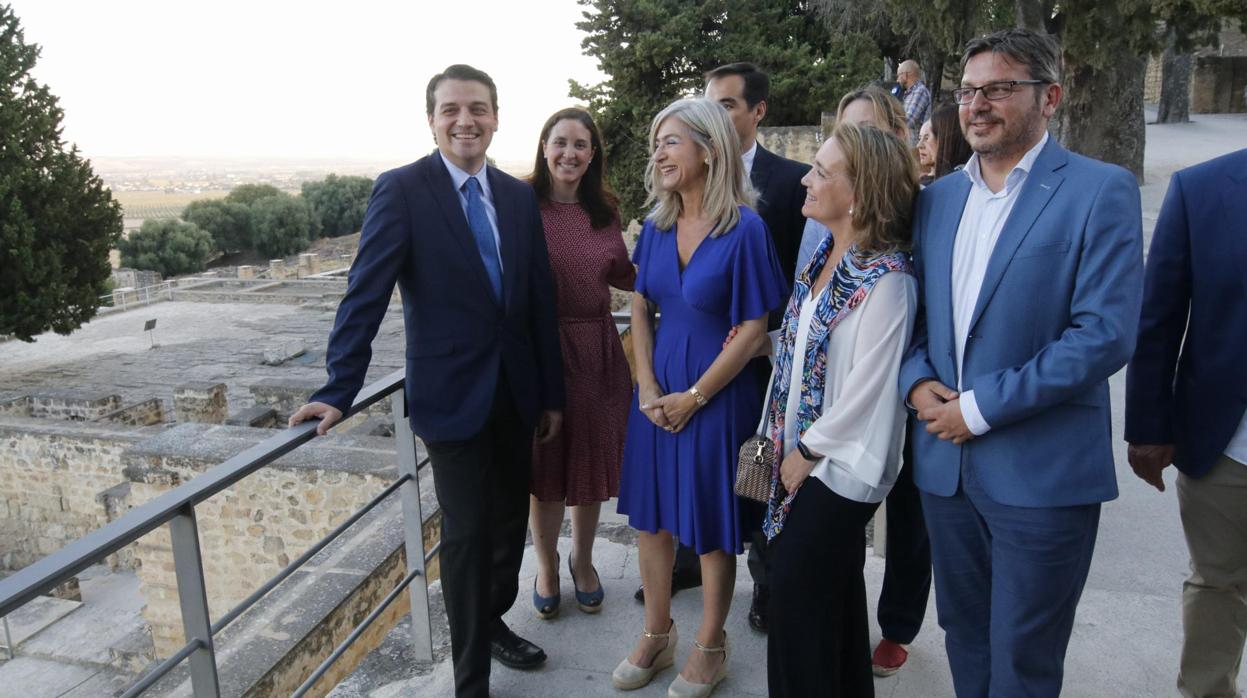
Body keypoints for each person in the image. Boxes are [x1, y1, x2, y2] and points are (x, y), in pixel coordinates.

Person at [288, 64, 565, 698]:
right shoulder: (403, 189)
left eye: (478, 108)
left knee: (504, 530)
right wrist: (338, 389)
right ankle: (471, 680)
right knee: (466, 534)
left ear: (496, 118)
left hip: (516, 393)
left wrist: (551, 393)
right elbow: (367, 293)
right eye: (451, 110)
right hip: (450, 396)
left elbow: (537, 301)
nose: (465, 120)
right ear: (433, 120)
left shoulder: (518, 196)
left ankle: (491, 623)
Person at [899, 28, 1143, 697]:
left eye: (998, 89)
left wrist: (975, 410)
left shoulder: (1100, 190)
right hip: (943, 474)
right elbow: (909, 314)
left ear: (1049, 97)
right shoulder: (937, 198)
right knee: (964, 635)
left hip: (1041, 477)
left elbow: (1103, 335)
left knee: (1024, 658)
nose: (977, 104)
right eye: (968, 91)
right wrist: (916, 383)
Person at [612, 98, 786, 697]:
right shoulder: (656, 228)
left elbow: (755, 330)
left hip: (717, 400)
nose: (657, 153)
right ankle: (657, 635)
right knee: (654, 520)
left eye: (671, 141)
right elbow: (639, 304)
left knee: (711, 528)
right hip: (656, 401)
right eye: (656, 142)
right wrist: (649, 387)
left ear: (709, 150)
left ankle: (711, 645)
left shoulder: (746, 229)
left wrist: (693, 396)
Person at [763, 122, 919, 697]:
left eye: (822, 171)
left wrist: (805, 451)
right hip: (809, 451)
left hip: (842, 464)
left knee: (796, 599)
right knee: (836, 600)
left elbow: (868, 390)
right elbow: (809, 353)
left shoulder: (888, 280)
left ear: (860, 193)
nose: (806, 178)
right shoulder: (826, 257)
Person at [679, 61, 807, 634]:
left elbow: (807, 275)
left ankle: (764, 583)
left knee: (759, 471)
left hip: (767, 359)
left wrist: (768, 342)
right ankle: (691, 560)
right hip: (705, 355)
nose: (717, 114)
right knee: (700, 465)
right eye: (711, 103)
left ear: (758, 112)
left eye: (728, 104)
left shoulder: (793, 180)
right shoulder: (691, 181)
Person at [1124, 147, 1247, 698]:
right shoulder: (1202, 189)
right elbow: (1159, 318)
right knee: (1218, 583)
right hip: (1229, 446)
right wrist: (1148, 426)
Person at [525, 108, 635, 620]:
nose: (569, 153)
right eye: (560, 142)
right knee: (545, 466)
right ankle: (546, 567)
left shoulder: (605, 211)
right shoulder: (520, 204)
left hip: (596, 350)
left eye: (581, 144)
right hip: (542, 352)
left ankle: (582, 561)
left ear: (593, 155)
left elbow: (623, 275)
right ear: (545, 147)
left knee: (588, 464)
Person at [796, 87, 909, 274]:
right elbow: (802, 288)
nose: (855, 139)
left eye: (866, 129)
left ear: (898, 134)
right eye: (846, 131)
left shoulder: (920, 206)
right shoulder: (822, 215)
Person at [897, 60, 933, 144]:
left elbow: (908, 121)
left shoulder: (920, 91)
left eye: (898, 76)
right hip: (911, 144)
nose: (897, 80)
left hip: (916, 145)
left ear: (905, 75)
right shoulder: (912, 93)